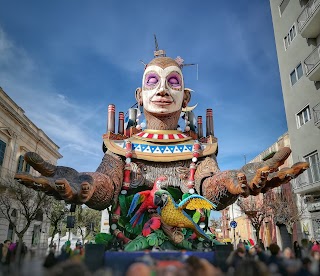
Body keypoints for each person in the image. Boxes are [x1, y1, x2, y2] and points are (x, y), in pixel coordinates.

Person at [14, 47, 309, 245]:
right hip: (131, 246)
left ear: (186, 96)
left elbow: (208, 186)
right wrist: (86, 185)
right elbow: (109, 182)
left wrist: (235, 181)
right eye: (153, 81)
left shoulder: (199, 147)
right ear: (140, 95)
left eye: (173, 82)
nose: (163, 90)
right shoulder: (122, 145)